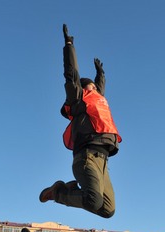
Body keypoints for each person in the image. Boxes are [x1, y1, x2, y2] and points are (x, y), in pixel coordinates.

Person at [39, 24, 122, 219]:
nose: (95, 89)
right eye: (91, 86)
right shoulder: (78, 98)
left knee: (108, 209)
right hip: (87, 157)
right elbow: (71, 74)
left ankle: (68, 189)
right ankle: (58, 192)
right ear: (84, 89)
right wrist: (69, 46)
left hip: (103, 161)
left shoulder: (98, 100)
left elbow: (100, 90)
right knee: (94, 200)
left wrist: (101, 75)